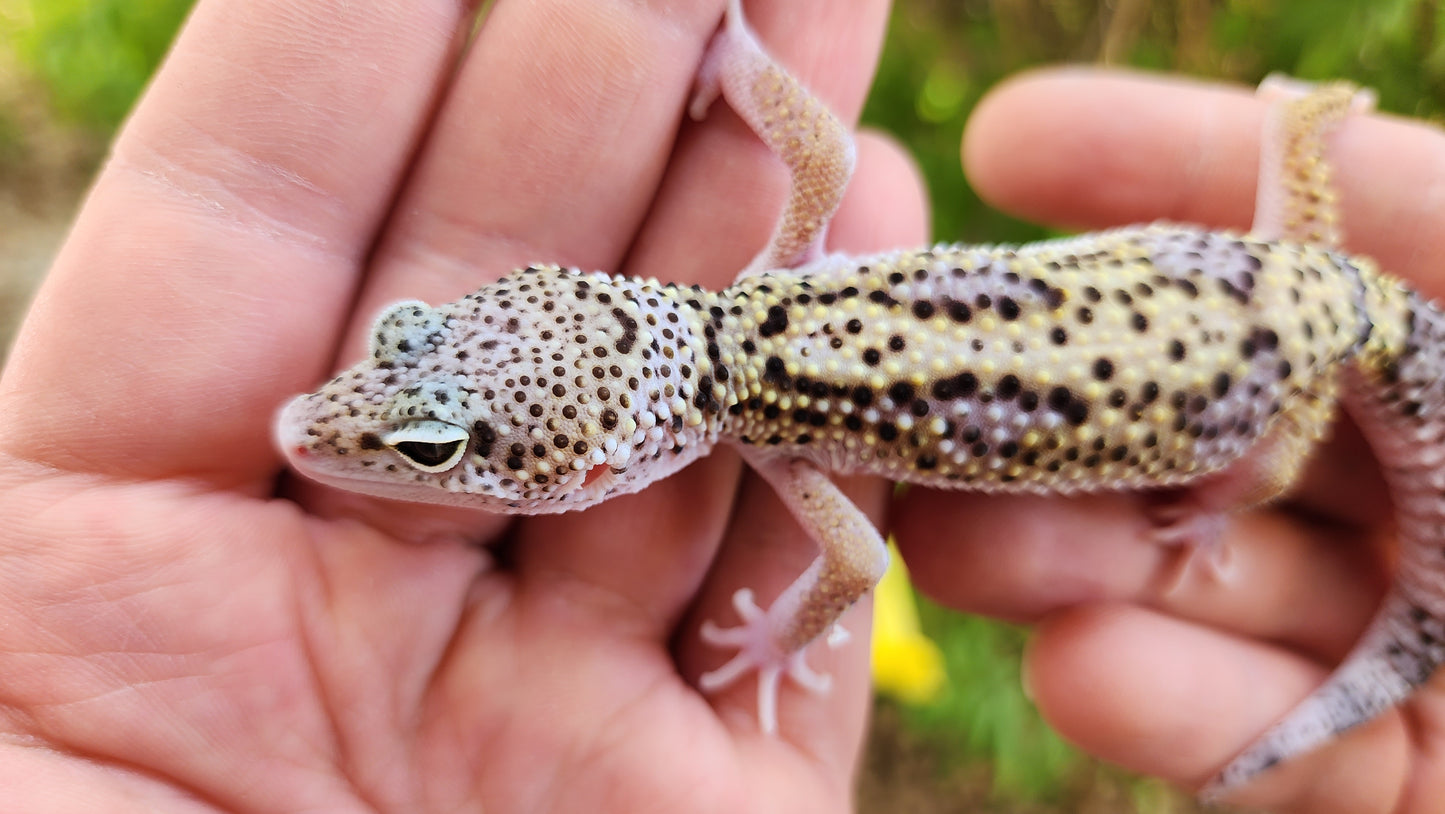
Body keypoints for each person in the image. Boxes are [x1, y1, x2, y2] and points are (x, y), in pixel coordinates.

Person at [0, 0, 1438, 811]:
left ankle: (1272, 500)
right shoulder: (776, 293)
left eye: (435, 447)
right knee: (1289, 254)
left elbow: (862, 563)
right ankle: (1301, 138)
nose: (326, 426)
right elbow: (810, 154)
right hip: (1269, 298)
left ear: (604, 460)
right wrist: (736, 61)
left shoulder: (793, 439)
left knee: (1253, 438)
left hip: (1268, 377)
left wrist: (776, 625)